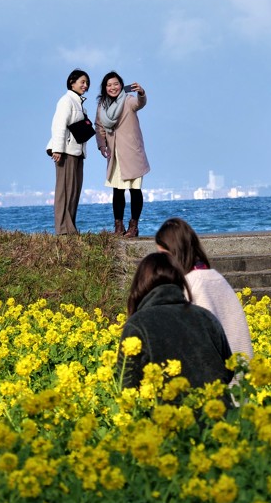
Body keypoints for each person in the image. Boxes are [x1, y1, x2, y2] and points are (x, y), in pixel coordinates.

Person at [118, 252, 234, 396]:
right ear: (180, 282)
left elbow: (127, 386)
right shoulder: (206, 317)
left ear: (140, 285)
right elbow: (229, 369)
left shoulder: (137, 325)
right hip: (217, 413)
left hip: (166, 415)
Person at [154, 217, 253, 361]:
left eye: (163, 255)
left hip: (221, 378)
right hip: (243, 373)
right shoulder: (215, 277)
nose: (161, 262)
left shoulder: (193, 284)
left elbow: (199, 342)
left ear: (175, 252)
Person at [94, 71, 151, 238]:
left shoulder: (128, 100)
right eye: (109, 85)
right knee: (117, 191)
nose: (113, 87)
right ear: (105, 88)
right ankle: (119, 227)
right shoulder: (102, 105)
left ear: (121, 85)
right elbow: (99, 127)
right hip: (114, 154)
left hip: (132, 152)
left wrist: (141, 92)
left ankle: (133, 226)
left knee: (135, 190)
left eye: (116, 84)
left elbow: (140, 103)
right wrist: (102, 145)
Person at [46, 68, 91, 235]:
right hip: (65, 151)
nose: (85, 85)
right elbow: (58, 125)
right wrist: (57, 149)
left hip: (77, 152)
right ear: (72, 83)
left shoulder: (79, 104)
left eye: (87, 83)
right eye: (82, 82)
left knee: (73, 191)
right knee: (64, 191)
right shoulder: (66, 101)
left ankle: (70, 227)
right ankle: (63, 230)